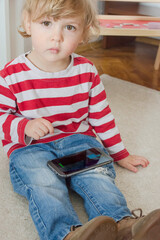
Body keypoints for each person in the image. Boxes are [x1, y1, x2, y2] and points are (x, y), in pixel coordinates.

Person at [0, 0, 160, 239]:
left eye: (69, 28)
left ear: (84, 33)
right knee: (43, 184)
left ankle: (124, 224)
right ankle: (66, 234)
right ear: (27, 24)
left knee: (96, 177)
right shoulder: (10, 74)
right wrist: (25, 125)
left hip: (79, 142)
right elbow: (2, 115)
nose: (57, 37)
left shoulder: (86, 71)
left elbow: (101, 116)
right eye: (46, 23)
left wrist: (120, 154)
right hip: (30, 148)